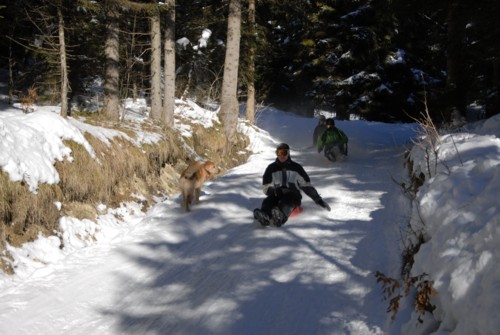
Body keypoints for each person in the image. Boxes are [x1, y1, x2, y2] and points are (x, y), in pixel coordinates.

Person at [253, 143, 331, 227]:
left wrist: (318, 200)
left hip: (293, 195)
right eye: (278, 153)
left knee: (287, 200)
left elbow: (306, 186)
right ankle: (265, 216)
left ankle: (280, 217)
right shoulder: (271, 168)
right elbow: (266, 186)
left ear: (288, 153)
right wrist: (272, 191)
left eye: (284, 153)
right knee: (268, 201)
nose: (281, 156)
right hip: (277, 194)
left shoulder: (296, 168)